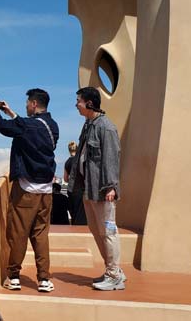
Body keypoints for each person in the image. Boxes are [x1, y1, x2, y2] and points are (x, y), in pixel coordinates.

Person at [0, 88, 59, 293]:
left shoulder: (27, 126)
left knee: (18, 234)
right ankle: (44, 279)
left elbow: (1, 127)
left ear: (34, 104)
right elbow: (26, 127)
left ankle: (14, 276)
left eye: (28, 102)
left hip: (27, 190)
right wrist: (10, 112)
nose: (27, 105)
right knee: (40, 235)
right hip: (46, 191)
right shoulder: (52, 126)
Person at [71, 86, 126, 290]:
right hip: (89, 189)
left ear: (89, 103)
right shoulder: (89, 125)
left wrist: (111, 186)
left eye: (78, 101)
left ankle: (114, 276)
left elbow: (112, 158)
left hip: (103, 191)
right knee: (97, 231)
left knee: (109, 232)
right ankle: (113, 270)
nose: (76, 105)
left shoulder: (106, 127)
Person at [63, 141, 87, 225]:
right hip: (81, 189)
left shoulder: (67, 162)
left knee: (73, 212)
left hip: (71, 190)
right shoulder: (80, 161)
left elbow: (65, 179)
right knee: (82, 215)